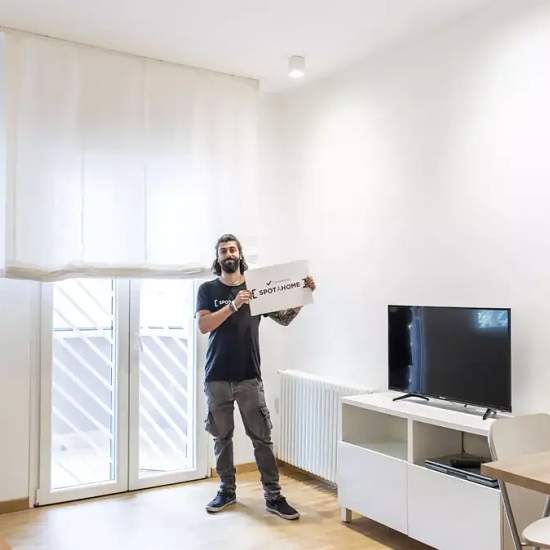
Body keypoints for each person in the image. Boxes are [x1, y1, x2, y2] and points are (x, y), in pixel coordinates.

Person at [195, 234, 316, 520]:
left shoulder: (256, 287)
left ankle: (273, 496)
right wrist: (233, 305)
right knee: (222, 438)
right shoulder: (207, 289)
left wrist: (303, 293)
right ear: (218, 258)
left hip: (250, 376)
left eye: (232, 249)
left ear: (240, 254)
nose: (228, 254)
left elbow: (284, 318)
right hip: (217, 377)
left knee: (262, 439)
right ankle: (226, 490)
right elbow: (203, 325)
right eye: (223, 250)